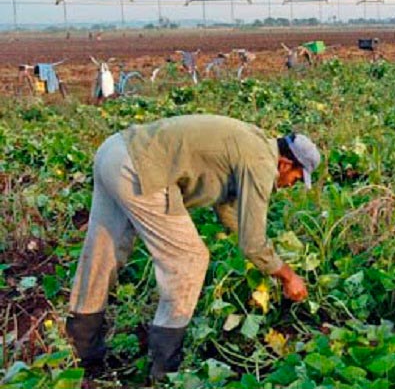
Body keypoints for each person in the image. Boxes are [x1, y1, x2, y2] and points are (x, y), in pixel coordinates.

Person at [66, 115, 321, 382]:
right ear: (285, 163)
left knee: (103, 253)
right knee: (190, 259)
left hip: (115, 151)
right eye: (295, 178)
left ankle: (80, 351)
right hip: (142, 168)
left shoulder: (253, 141)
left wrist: (260, 252)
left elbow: (228, 209)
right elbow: (253, 243)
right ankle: (164, 370)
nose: (290, 185)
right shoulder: (262, 164)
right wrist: (288, 275)